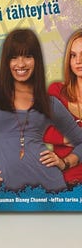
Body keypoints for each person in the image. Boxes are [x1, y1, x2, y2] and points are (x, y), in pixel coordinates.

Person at [0, 28, 82, 192]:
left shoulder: (48, 102)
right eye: (14, 57)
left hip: (51, 190)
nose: (21, 64)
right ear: (6, 61)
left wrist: (65, 162)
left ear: (36, 60)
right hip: (6, 195)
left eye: (28, 56)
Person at [44, 29, 82, 185]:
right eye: (73, 55)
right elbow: (40, 129)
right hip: (65, 181)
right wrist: (70, 138)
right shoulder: (57, 92)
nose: (78, 61)